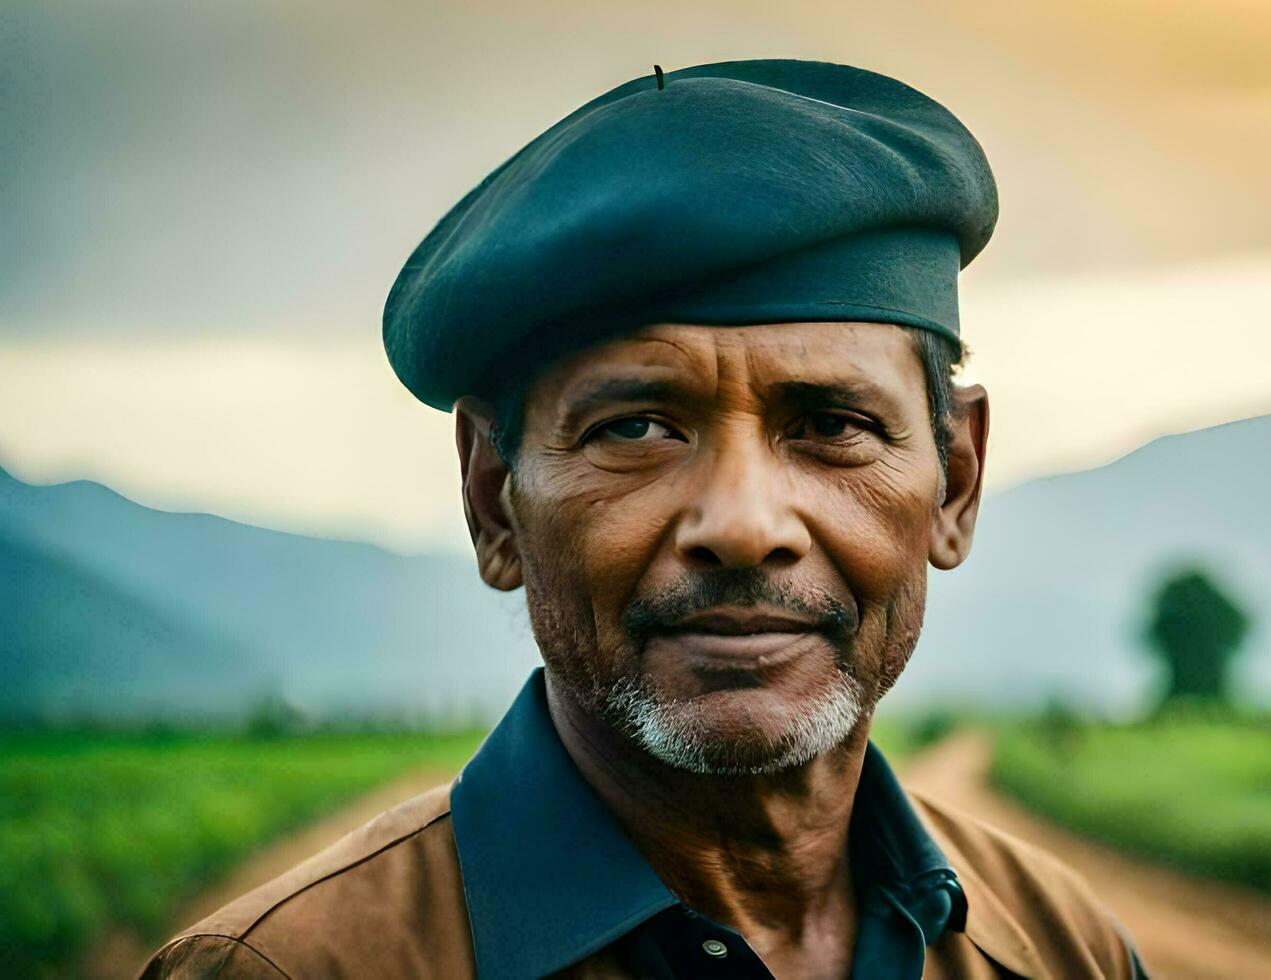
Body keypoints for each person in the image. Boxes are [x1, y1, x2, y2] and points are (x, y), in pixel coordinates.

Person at [141, 59, 1148, 979]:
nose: (746, 524)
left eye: (832, 423)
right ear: (495, 500)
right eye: (640, 426)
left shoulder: (1069, 950)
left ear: (956, 480)